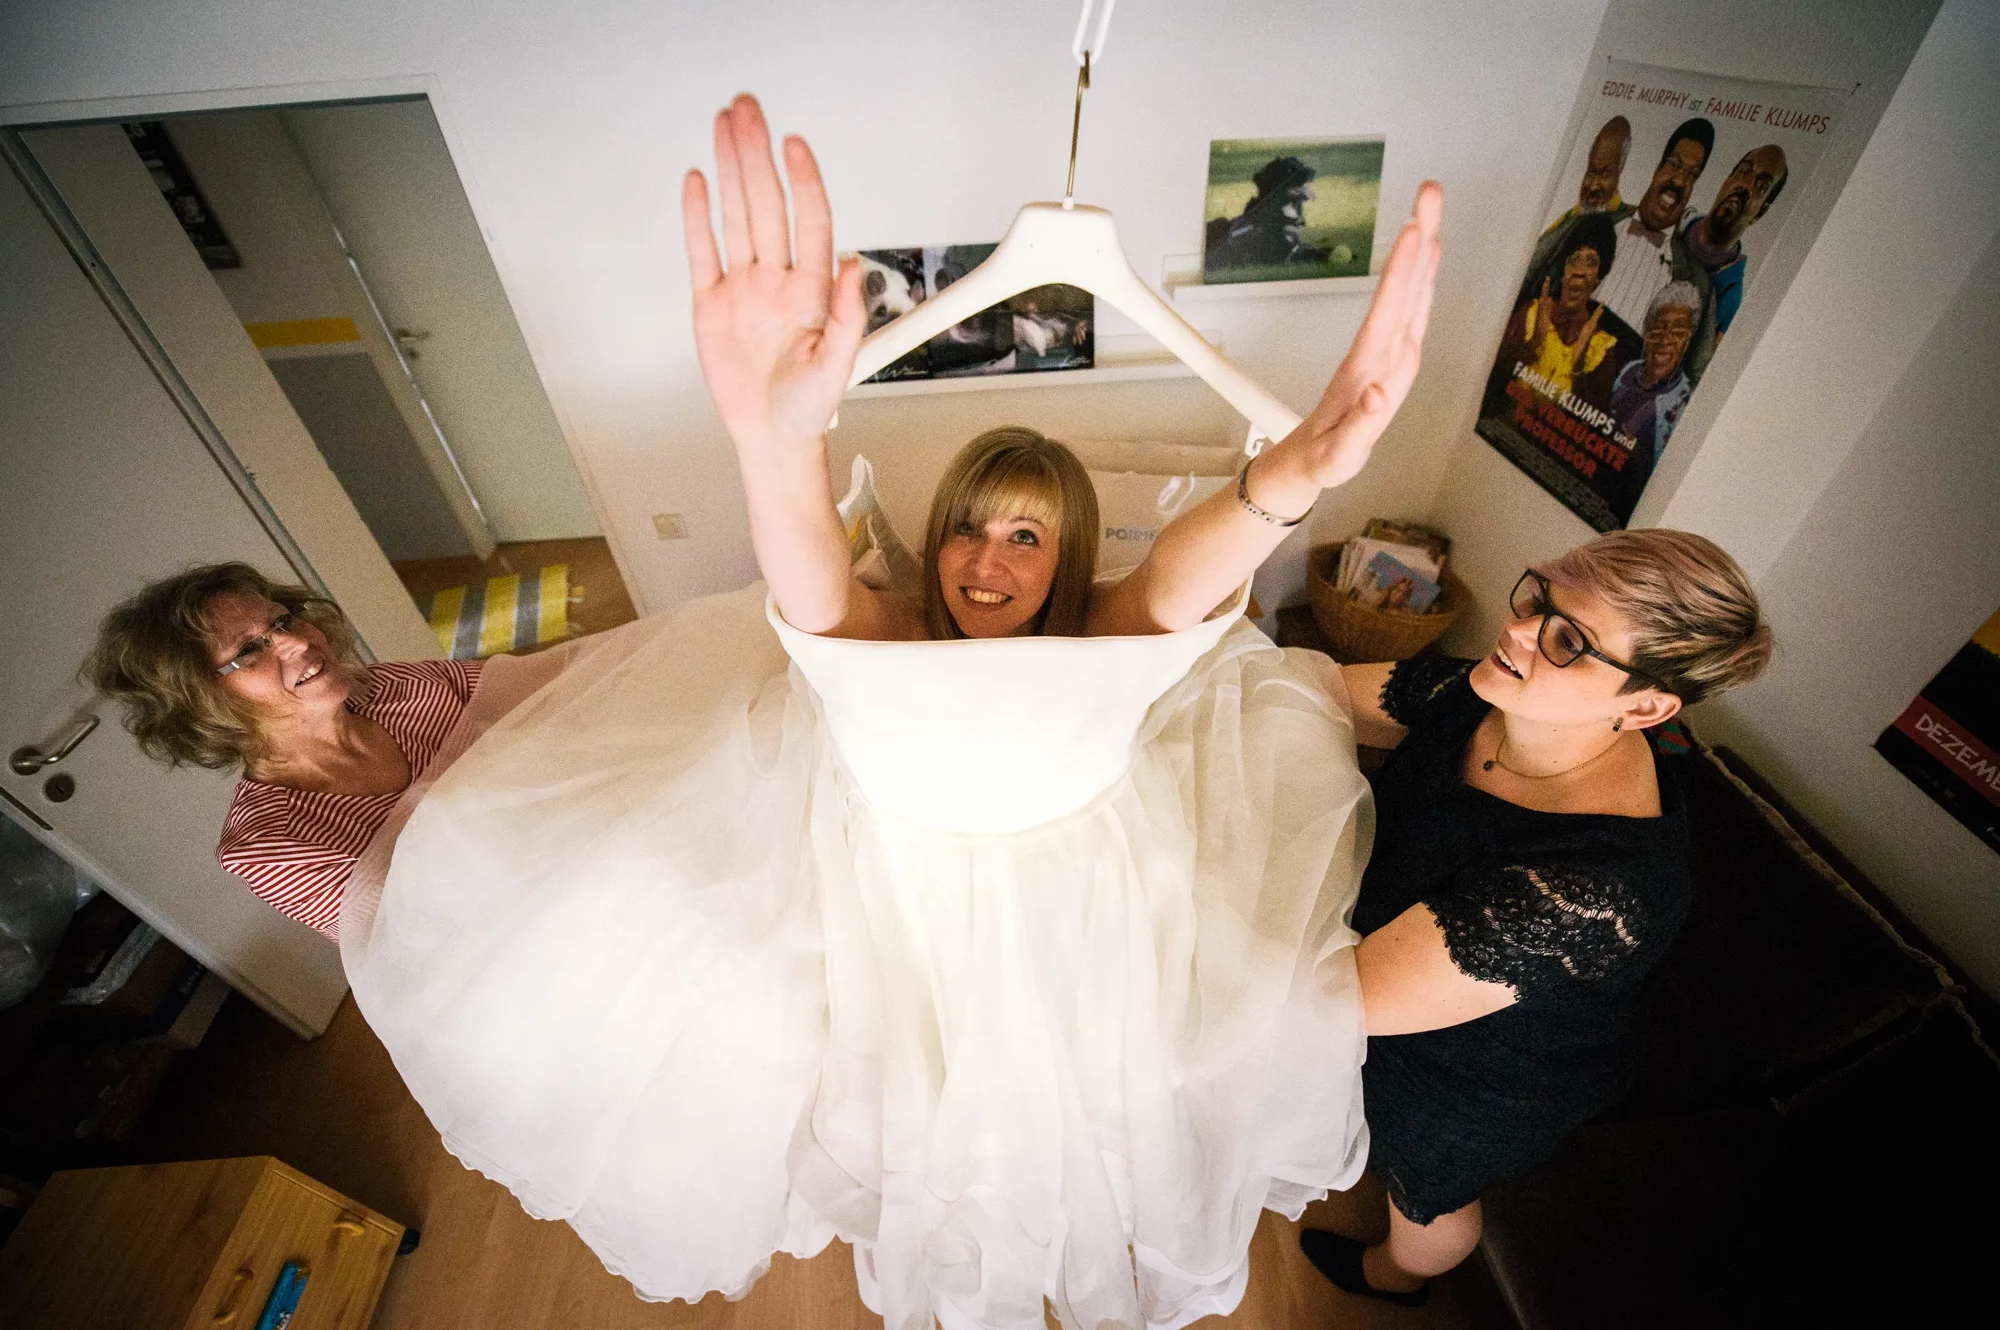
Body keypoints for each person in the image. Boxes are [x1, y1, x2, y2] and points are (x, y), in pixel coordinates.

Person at [333, 91, 1442, 1330]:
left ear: (1068, 558)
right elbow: (807, 573)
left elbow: (1191, 565)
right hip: (897, 910)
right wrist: (770, 441)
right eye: (967, 527)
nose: (986, 560)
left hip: (1088, 906)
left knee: (1079, 1103)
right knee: (927, 1112)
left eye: (1025, 537)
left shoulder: (1115, 627)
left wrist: (1295, 473)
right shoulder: (880, 632)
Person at [1299, 529, 1772, 1306]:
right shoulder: (1493, 689)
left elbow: (1342, 997)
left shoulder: (1594, 888)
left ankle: (1398, 1276)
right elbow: (1319, 693)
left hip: (1478, 1072)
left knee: (1425, 1188)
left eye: (1569, 640)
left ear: (1645, 705)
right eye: (1538, 597)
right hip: (1394, 961)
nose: (1518, 630)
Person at [86, 562, 483, 937]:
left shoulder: (395, 686)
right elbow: (425, 938)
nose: (297, 641)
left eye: (282, 621)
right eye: (248, 650)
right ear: (203, 703)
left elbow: (522, 696)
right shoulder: (272, 844)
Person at [1528, 119, 1718, 384]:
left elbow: (1694, 379)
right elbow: (1529, 274)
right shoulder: (1590, 221)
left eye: (1691, 174)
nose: (1679, 180)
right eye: (1674, 165)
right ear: (1657, 168)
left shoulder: (1698, 284)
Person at [1495, 211, 1633, 410]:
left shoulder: (1602, 349)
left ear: (1599, 277)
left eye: (1591, 263)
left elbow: (1592, 420)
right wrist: (1533, 344)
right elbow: (1491, 377)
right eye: (1574, 260)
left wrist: (1577, 370)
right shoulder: (1531, 314)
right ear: (1563, 271)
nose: (1579, 271)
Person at [1682, 144, 1788, 340]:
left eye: (1761, 186)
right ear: (1726, 181)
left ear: (1760, 212)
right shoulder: (1670, 222)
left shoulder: (1729, 299)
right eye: (1743, 172)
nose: (1745, 185)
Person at [1610, 281, 1701, 467]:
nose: (1665, 339)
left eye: (1678, 331)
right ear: (1647, 332)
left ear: (1687, 339)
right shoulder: (1629, 370)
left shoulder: (1684, 403)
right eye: (1659, 327)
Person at [1204, 154, 1326, 273]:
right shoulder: (1264, 224)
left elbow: (1290, 248)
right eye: (1292, 171)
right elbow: (1281, 255)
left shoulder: (1285, 216)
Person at [1541, 115, 1630, 232]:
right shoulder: (1567, 220)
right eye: (1592, 172)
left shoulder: (1626, 225)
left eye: (1605, 174)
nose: (1593, 186)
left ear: (1620, 169)